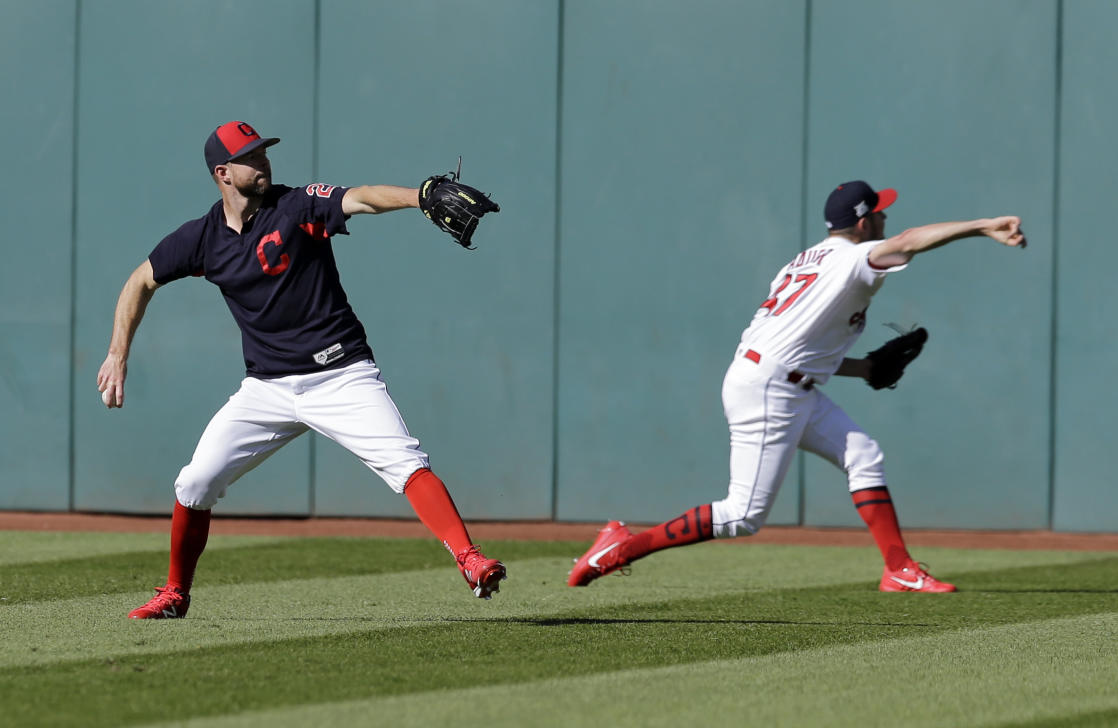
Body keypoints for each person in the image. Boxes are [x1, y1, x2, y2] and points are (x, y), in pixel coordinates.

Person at [97, 121, 506, 619]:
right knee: (194, 483)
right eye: (251, 157)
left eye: (264, 152)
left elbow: (363, 197)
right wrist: (118, 352)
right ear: (223, 173)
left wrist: (420, 196)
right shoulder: (203, 238)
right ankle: (174, 593)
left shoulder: (296, 206)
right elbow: (141, 280)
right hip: (266, 389)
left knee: (405, 462)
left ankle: (470, 559)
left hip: (341, 375)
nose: (263, 161)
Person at [568, 180, 1026, 592]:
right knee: (743, 515)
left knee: (863, 453)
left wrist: (865, 369)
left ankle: (898, 569)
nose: (888, 218)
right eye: (881, 212)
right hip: (770, 387)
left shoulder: (807, 260)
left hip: (780, 380)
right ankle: (619, 548)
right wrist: (983, 226)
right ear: (865, 221)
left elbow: (797, 350)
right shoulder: (853, 259)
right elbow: (908, 242)